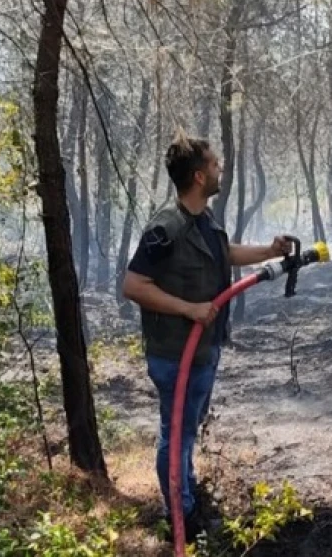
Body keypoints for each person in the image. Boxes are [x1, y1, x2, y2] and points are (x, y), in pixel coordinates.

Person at [122, 134, 289, 536]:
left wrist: (269, 251)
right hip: (175, 354)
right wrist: (189, 309)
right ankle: (179, 517)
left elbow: (224, 253)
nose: (220, 171)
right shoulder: (165, 227)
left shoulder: (204, 219)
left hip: (202, 351)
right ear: (199, 176)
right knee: (175, 435)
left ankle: (186, 497)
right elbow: (133, 285)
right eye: (215, 166)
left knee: (185, 431)